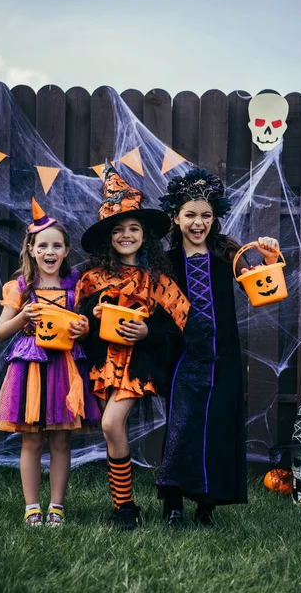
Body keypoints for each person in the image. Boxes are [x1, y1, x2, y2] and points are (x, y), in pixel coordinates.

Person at [156, 168, 280, 527]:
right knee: (182, 426)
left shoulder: (229, 252)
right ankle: (174, 503)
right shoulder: (166, 261)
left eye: (206, 215)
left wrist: (269, 262)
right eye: (190, 215)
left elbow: (261, 294)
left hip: (223, 357)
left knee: (218, 426)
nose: (198, 223)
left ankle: (206, 504)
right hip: (183, 359)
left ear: (215, 217)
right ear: (176, 217)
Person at [76, 162, 190, 530]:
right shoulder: (92, 278)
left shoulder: (156, 279)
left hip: (138, 367)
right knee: (112, 429)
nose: (127, 234)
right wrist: (91, 319)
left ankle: (126, 509)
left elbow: (181, 326)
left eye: (134, 228)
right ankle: (124, 506)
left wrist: (148, 334)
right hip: (104, 365)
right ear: (109, 236)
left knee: (112, 424)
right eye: (119, 229)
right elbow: (80, 326)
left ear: (145, 235)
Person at [0, 198, 100, 527]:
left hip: (65, 367)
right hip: (31, 368)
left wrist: (83, 329)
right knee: (31, 438)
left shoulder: (76, 288)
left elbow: (81, 329)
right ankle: (31, 507)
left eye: (57, 245)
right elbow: (0, 332)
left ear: (67, 250)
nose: (50, 252)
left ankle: (56, 505)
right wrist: (23, 315)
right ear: (31, 249)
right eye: (43, 245)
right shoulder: (22, 288)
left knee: (61, 438)